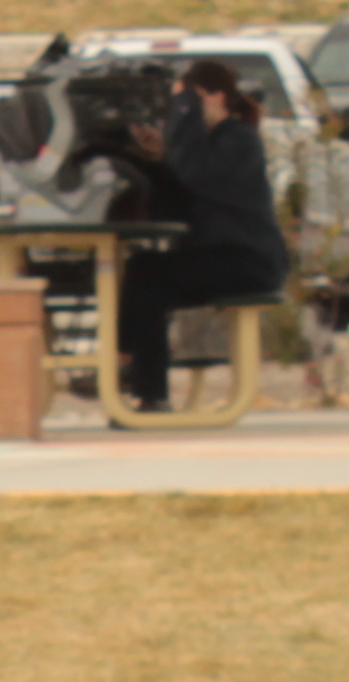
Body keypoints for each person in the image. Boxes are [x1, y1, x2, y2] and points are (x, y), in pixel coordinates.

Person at [112, 59, 290, 416]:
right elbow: (176, 203)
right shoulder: (206, 146)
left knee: (146, 274)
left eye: (188, 103)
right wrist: (158, 158)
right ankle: (141, 382)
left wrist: (181, 123)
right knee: (145, 275)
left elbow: (198, 176)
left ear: (217, 97)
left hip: (248, 260)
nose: (181, 114)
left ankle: (133, 372)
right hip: (219, 257)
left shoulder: (239, 140)